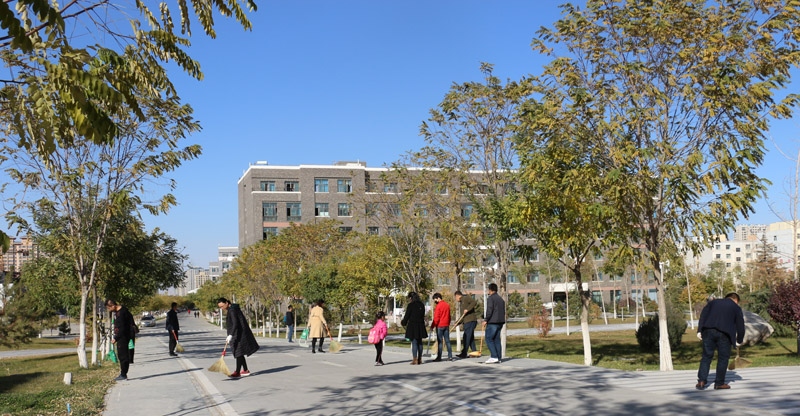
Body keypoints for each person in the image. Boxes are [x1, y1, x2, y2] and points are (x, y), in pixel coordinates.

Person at [696, 292, 745, 390]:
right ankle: (719, 383)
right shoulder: (736, 307)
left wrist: (699, 330)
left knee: (706, 356)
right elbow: (740, 325)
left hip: (708, 331)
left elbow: (703, 315)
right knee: (723, 359)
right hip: (725, 334)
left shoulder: (713, 302)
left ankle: (701, 381)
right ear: (736, 300)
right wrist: (739, 340)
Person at [217, 297, 260, 378]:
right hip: (239, 334)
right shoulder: (233, 309)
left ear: (226, 303)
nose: (222, 308)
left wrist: (231, 335)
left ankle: (237, 372)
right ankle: (245, 370)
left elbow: (235, 323)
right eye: (220, 307)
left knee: (238, 352)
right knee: (240, 352)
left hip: (238, 335)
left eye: (222, 306)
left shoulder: (232, 310)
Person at [105, 299, 135, 381]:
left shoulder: (121, 313)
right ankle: (123, 373)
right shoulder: (122, 310)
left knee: (123, 355)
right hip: (123, 335)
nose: (109, 310)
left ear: (113, 305)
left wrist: (116, 338)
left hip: (123, 336)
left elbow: (122, 328)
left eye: (109, 308)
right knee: (122, 355)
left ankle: (123, 374)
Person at [401, 292, 427, 365]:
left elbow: (407, 315)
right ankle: (420, 359)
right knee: (420, 342)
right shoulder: (422, 305)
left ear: (411, 298)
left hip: (413, 325)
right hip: (420, 325)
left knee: (414, 342)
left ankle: (415, 359)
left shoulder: (411, 305)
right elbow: (423, 315)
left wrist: (403, 322)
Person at [482, 283, 505, 364]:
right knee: (496, 340)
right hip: (500, 322)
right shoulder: (501, 299)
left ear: (490, 290)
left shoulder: (491, 298)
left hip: (493, 322)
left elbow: (489, 310)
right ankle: (499, 357)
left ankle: (494, 356)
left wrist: (486, 320)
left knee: (488, 339)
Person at [454, 291, 478, 358]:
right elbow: (463, 316)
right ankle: (474, 353)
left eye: (455, 297)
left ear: (457, 295)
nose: (456, 299)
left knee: (466, 337)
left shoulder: (466, 298)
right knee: (470, 338)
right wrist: (457, 323)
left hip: (470, 321)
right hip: (467, 322)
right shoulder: (461, 303)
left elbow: (474, 302)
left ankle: (464, 353)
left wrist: (467, 309)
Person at [430, 293, 452, 362]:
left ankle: (439, 357)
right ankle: (450, 356)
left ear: (438, 298)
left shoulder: (438, 306)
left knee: (440, 342)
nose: (435, 301)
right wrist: (448, 323)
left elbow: (436, 318)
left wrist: (432, 326)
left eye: (435, 299)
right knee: (447, 341)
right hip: (446, 325)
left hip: (440, 326)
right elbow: (449, 316)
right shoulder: (447, 305)